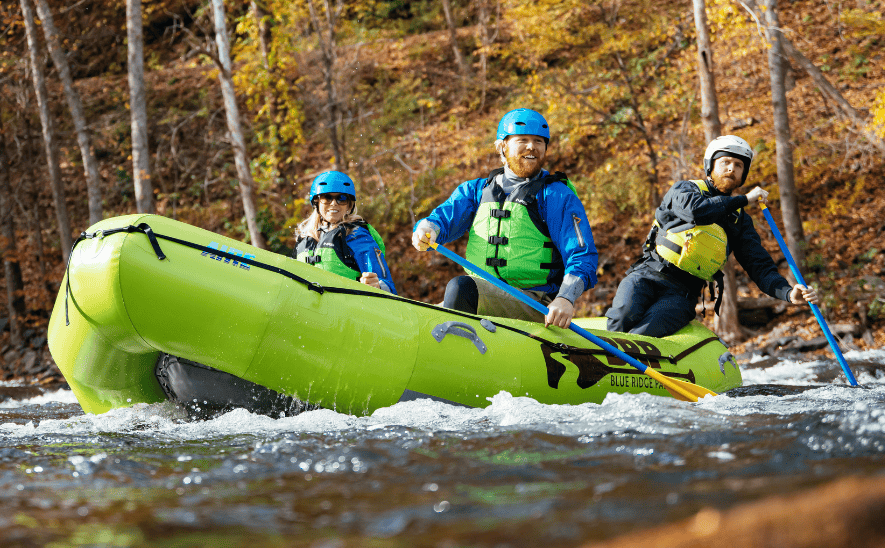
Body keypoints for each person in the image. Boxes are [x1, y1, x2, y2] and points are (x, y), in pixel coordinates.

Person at [605, 135, 818, 338]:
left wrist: (789, 293)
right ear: (711, 165)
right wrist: (744, 200)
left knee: (645, 333)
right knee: (623, 316)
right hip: (647, 275)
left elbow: (759, 266)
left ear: (743, 174)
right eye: (725, 162)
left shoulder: (740, 221)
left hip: (681, 294)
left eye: (738, 165)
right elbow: (696, 212)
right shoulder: (685, 189)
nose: (731, 168)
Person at [411, 108, 598, 328]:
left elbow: (582, 254)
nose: (532, 147)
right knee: (422, 319)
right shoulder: (476, 190)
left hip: (534, 302)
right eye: (523, 140)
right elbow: (442, 219)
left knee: (460, 288)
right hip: (483, 296)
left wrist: (565, 298)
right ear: (502, 146)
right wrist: (428, 229)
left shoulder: (556, 196)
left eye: (539, 141)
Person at [294, 171, 396, 294]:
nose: (334, 203)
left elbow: (388, 286)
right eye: (327, 197)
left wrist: (378, 286)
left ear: (349, 205)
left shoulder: (357, 236)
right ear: (317, 202)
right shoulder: (303, 240)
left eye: (341, 198)